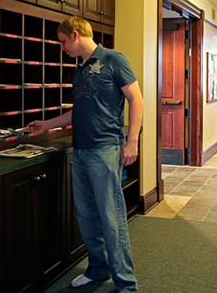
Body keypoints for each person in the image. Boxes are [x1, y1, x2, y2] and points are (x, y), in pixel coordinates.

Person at [25, 16, 142, 292]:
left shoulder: (114, 59)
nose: (62, 47)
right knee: (87, 216)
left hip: (105, 149)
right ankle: (97, 269)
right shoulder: (81, 70)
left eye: (63, 41)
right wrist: (47, 125)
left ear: (75, 35)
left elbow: (136, 99)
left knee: (111, 218)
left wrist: (132, 141)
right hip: (81, 151)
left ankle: (126, 284)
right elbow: (78, 110)